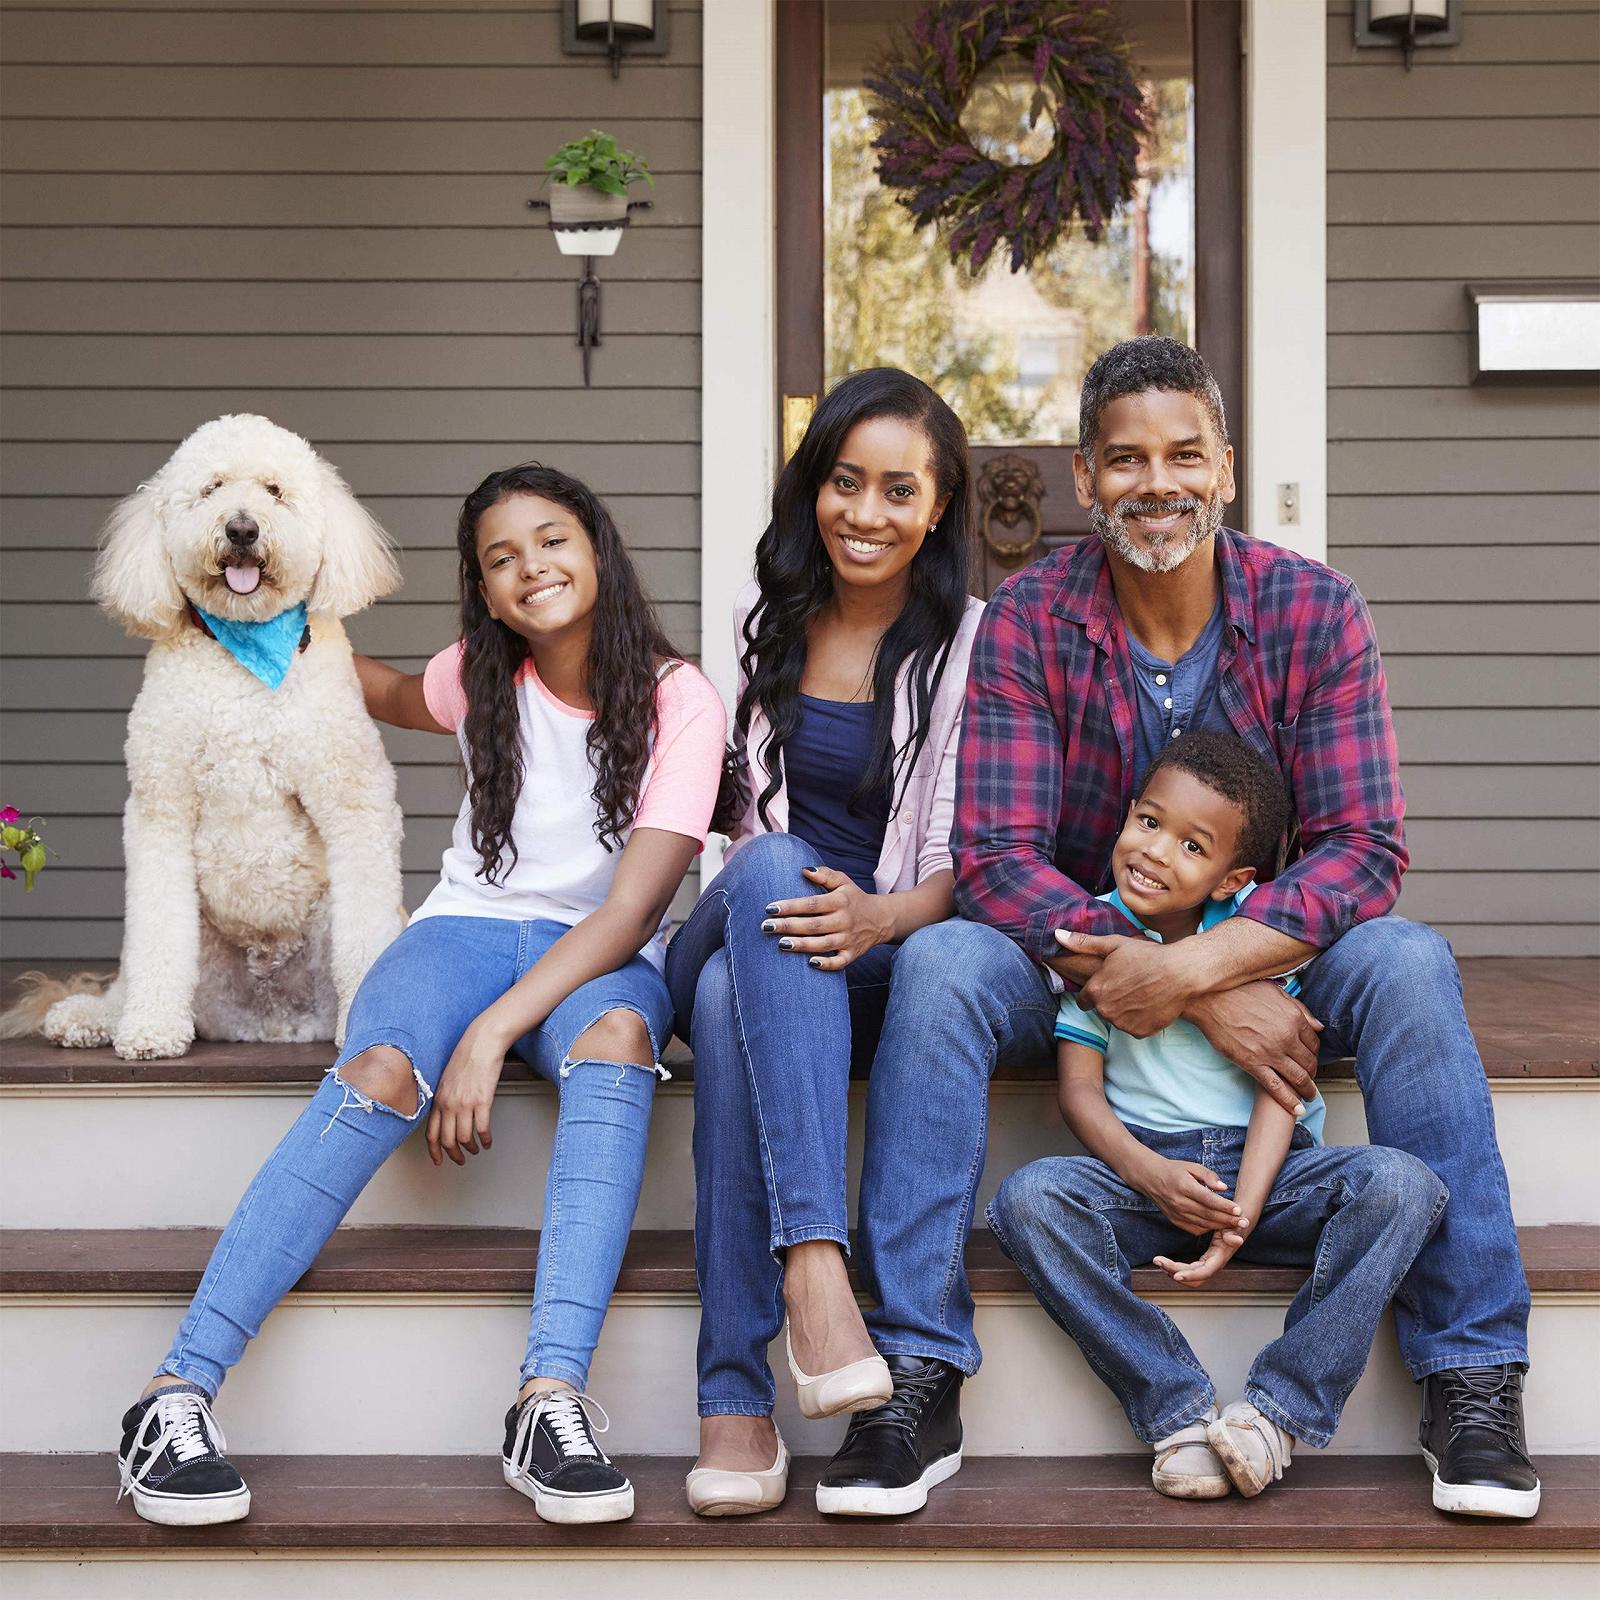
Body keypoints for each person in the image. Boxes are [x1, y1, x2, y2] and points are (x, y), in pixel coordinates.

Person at [949, 336, 1540, 1520]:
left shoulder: (1314, 610)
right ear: (1082, 478)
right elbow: (995, 860)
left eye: (1182, 454)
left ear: (1225, 467)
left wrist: (1206, 962)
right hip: (1080, 956)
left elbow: (1362, 847)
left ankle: (1471, 1374)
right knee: (939, 962)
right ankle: (916, 1362)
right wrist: (1170, 976)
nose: (1154, 481)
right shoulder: (1024, 618)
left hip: (1286, 953)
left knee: (1409, 958)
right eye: (1124, 458)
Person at [113, 463, 725, 1528]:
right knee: (381, 1066)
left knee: (622, 1041)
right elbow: (386, 693)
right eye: (500, 559)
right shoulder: (480, 676)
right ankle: (174, 1395)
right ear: (484, 594)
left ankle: (549, 1396)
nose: (530, 567)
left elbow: (629, 912)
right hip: (457, 934)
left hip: (599, 954)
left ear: (598, 549)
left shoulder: (681, 699)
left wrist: (493, 1033)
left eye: (550, 541)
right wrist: (266, 636)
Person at [666, 367, 1003, 1519]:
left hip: (870, 954)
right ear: (813, 488)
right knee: (764, 866)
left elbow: (978, 849)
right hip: (749, 913)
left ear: (940, 506)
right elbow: (712, 823)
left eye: (898, 490)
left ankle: (733, 1397)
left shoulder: (974, 644)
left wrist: (881, 915)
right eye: (844, 482)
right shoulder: (768, 622)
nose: (866, 512)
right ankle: (817, 1272)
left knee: (722, 1007)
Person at [988, 731, 1446, 1500]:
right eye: (1150, 823)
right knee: (1027, 1201)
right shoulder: (1095, 937)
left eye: (1191, 846)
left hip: (1274, 1175)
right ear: (1126, 817)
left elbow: (1282, 1084)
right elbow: (1079, 1094)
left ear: (1233, 875)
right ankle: (1176, 1410)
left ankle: (1277, 1413)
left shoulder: (1249, 943)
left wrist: (1242, 1215)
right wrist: (1151, 1173)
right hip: (1147, 1176)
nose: (1157, 852)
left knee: (1404, 1186)